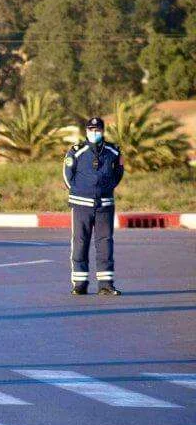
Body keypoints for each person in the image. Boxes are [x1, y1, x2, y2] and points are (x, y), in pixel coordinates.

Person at [63, 117, 124, 296]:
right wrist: (79, 191)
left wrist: (108, 187)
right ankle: (80, 284)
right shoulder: (76, 151)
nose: (94, 133)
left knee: (105, 243)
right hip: (81, 205)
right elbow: (67, 175)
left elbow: (118, 172)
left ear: (103, 131)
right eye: (91, 129)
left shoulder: (114, 151)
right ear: (86, 131)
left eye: (97, 130)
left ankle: (106, 285)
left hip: (105, 205)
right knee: (80, 242)